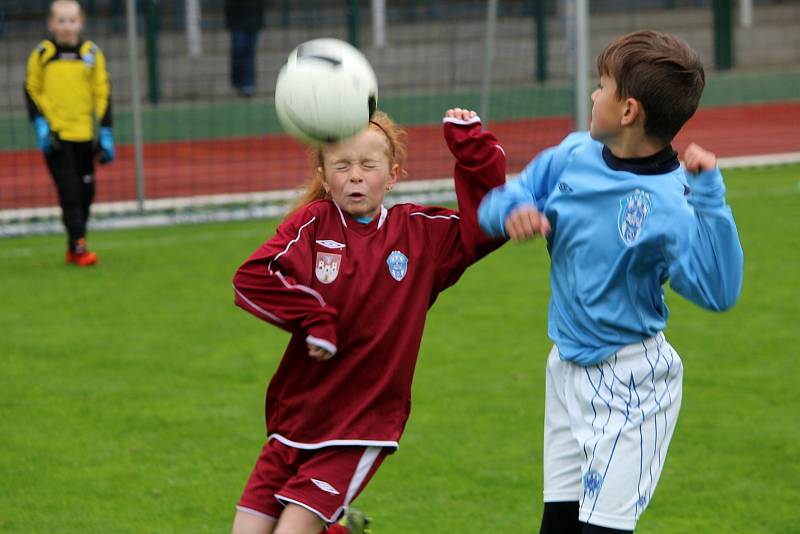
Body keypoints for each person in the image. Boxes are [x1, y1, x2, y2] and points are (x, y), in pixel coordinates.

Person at [477, 30, 744, 533]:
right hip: (567, 368)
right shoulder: (571, 155)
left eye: (602, 87)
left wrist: (710, 196)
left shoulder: (672, 202)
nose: (593, 95)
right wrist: (515, 209)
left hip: (631, 383)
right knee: (557, 524)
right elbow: (496, 203)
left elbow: (720, 289)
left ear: (628, 112)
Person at [230, 108, 506, 534]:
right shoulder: (312, 224)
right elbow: (252, 278)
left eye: (368, 165)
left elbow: (489, 225)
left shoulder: (418, 234)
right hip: (296, 419)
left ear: (392, 175)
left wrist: (472, 150)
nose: (355, 176)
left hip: (361, 425)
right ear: (324, 176)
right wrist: (314, 319)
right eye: (341, 166)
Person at [24, 0, 115, 267]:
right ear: (51, 24)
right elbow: (31, 88)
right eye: (60, 21)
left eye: (71, 20)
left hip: (84, 135)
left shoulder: (91, 54)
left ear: (81, 22)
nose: (66, 26)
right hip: (56, 136)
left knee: (87, 192)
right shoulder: (43, 53)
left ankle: (74, 245)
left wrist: (106, 130)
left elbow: (102, 92)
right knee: (70, 191)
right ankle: (79, 247)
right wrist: (40, 123)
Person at [224, 0, 265, 97]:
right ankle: (238, 82)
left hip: (254, 20)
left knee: (249, 52)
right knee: (238, 49)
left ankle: (248, 84)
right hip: (237, 21)